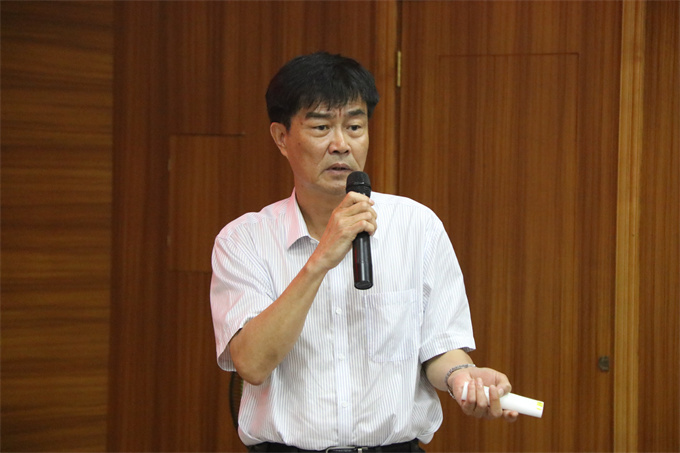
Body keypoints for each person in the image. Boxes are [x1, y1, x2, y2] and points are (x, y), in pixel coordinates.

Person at [210, 51, 518, 453]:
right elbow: (252, 363)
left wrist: (463, 376)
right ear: (281, 137)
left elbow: (439, 348)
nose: (341, 144)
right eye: (321, 127)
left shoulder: (416, 226)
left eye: (355, 126)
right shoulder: (244, 240)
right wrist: (321, 259)